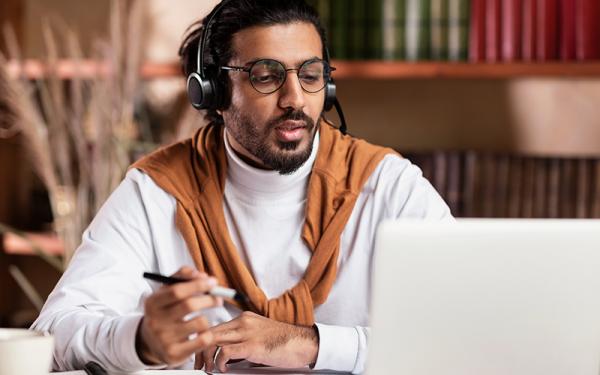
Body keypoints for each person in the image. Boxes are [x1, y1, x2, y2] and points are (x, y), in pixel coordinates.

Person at [31, 0, 452, 373]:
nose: (295, 98)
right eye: (265, 76)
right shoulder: (156, 189)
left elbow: (467, 331)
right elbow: (52, 335)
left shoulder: (388, 185)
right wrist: (139, 339)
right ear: (211, 91)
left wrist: (307, 344)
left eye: (310, 74)